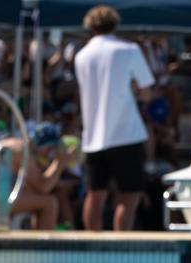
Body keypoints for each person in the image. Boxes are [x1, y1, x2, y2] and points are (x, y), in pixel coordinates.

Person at [74, 5, 154, 232]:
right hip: (125, 134)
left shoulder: (82, 56)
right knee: (128, 197)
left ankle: (92, 246)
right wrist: (136, 97)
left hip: (93, 136)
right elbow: (147, 91)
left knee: (95, 194)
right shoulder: (129, 50)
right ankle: (121, 248)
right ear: (115, 24)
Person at [0, 122, 73, 231]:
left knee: (38, 198)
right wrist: (60, 162)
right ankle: (43, 246)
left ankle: (36, 244)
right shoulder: (22, 150)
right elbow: (43, 187)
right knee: (50, 203)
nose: (48, 155)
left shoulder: (14, 145)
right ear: (44, 146)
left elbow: (33, 188)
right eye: (49, 150)